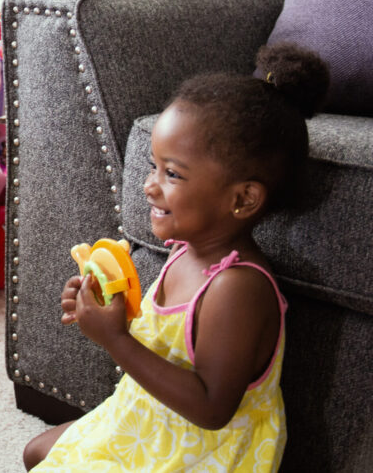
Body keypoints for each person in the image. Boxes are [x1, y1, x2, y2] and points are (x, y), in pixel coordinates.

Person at [23, 42, 329, 471]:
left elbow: (210, 408)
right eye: (153, 166)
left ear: (242, 199)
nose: (149, 185)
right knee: (38, 451)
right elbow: (169, 343)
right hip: (151, 422)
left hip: (197, 453)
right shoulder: (185, 251)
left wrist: (115, 339)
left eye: (172, 174)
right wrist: (109, 309)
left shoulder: (237, 287)